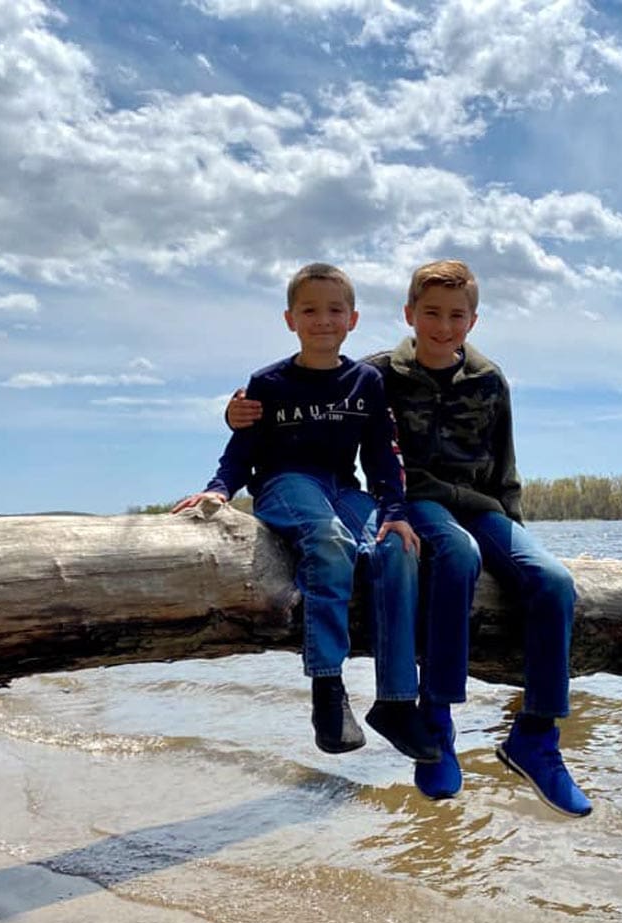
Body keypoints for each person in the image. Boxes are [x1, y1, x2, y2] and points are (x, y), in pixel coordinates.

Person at [227, 260, 592, 817]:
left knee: (553, 581)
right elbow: (321, 396)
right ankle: (437, 721)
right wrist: (239, 415)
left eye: (456, 316)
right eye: (431, 314)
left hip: (482, 505)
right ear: (409, 315)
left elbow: (505, 463)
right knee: (455, 555)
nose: (443, 327)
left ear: (473, 320)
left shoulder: (490, 380)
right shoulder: (376, 374)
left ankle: (536, 738)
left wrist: (515, 536)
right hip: (417, 500)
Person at [174, 262, 438, 765]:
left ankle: (398, 701)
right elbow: (241, 448)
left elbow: (381, 454)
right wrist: (218, 490)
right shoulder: (268, 382)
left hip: (344, 487)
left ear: (353, 319)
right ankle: (327, 687)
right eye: (310, 310)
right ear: (290, 319)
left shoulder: (365, 382)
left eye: (334, 310)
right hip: (284, 484)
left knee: (398, 548)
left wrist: (395, 511)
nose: (323, 320)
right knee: (330, 540)